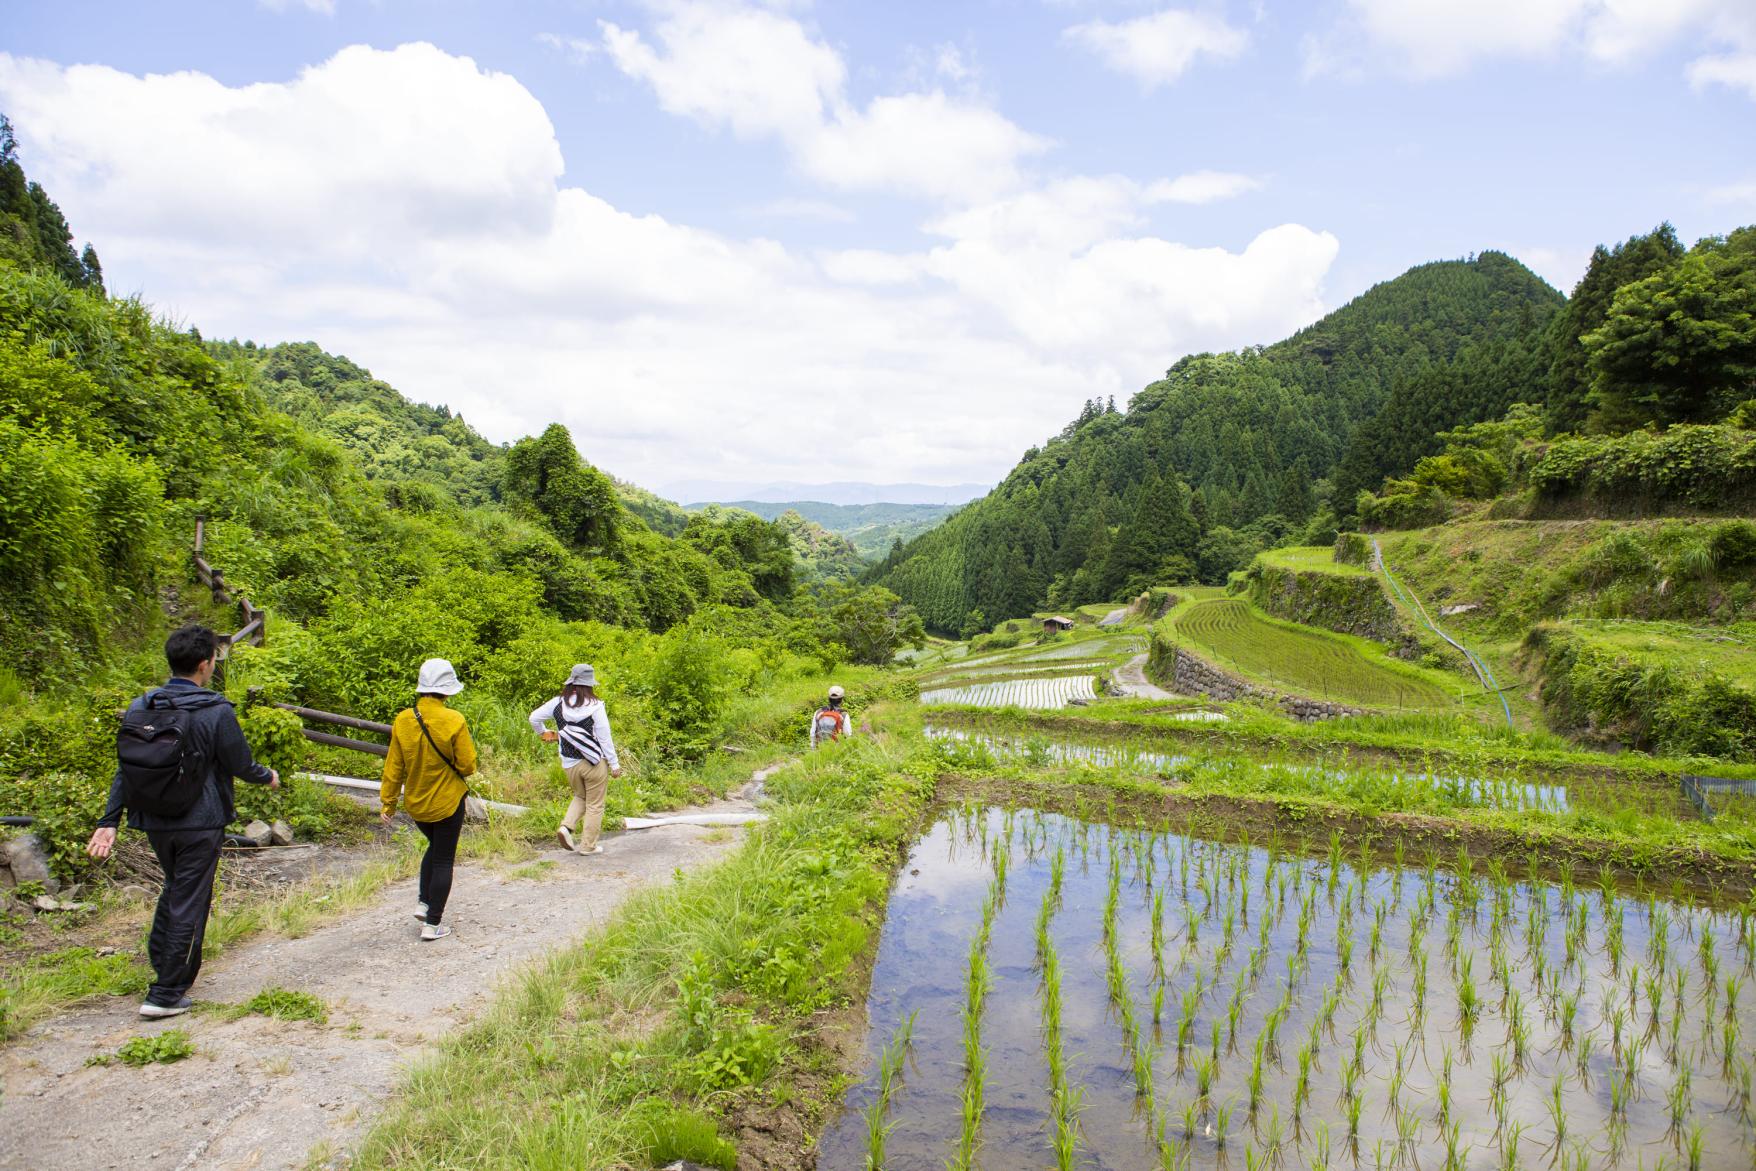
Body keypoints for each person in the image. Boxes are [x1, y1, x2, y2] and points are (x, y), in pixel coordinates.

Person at [87, 624, 280, 1018]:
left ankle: (163, 967)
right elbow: (240, 764)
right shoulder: (215, 710)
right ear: (206, 664)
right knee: (190, 900)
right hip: (200, 820)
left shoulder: (144, 705)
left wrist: (110, 819)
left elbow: (126, 767)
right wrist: (269, 776)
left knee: (176, 889)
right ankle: (166, 992)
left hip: (155, 819)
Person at [381, 658, 477, 941]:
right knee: (444, 859)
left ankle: (424, 903)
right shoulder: (454, 720)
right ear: (447, 691)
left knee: (435, 849)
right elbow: (468, 765)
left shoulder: (403, 719)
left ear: (422, 688)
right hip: (448, 802)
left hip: (417, 804)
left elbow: (394, 766)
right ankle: (432, 923)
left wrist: (388, 802)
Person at [529, 664, 622, 856]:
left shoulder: (558, 703)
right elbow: (605, 737)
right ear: (589, 685)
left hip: (570, 764)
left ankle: (566, 828)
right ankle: (588, 846)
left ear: (571, 682)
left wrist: (545, 734)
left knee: (581, 796)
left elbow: (534, 718)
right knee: (595, 804)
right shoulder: (595, 706)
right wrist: (614, 764)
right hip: (594, 764)